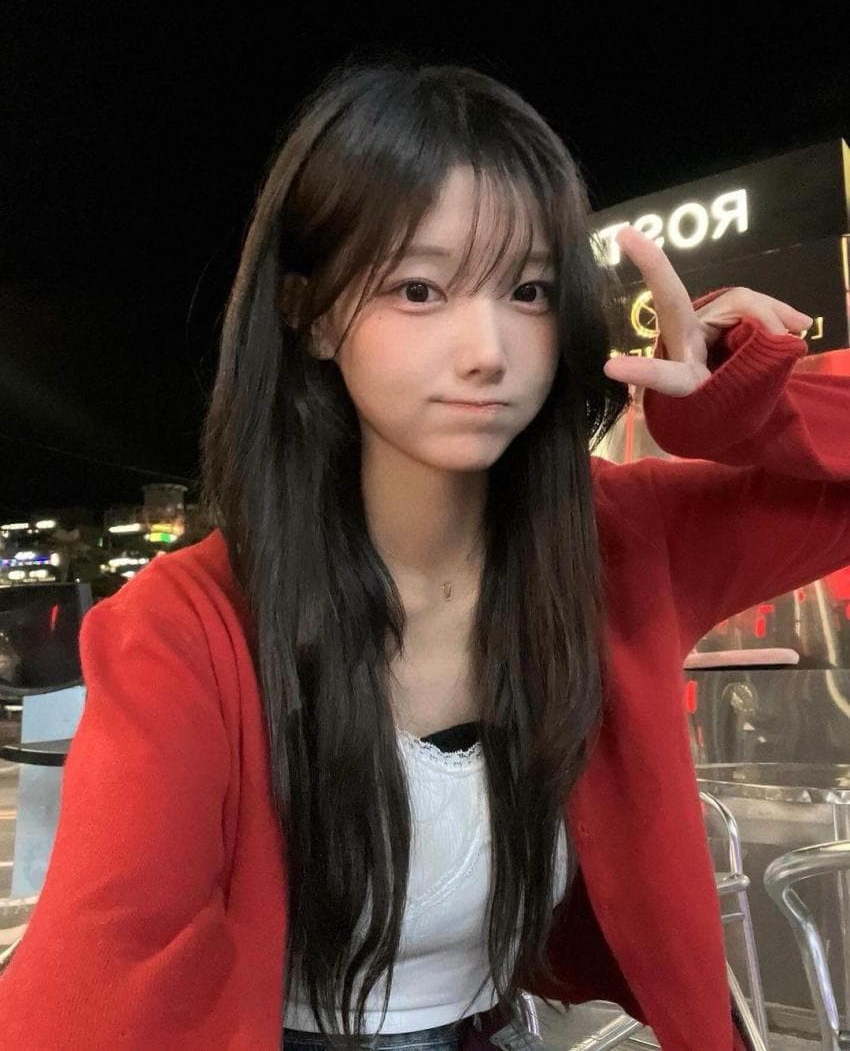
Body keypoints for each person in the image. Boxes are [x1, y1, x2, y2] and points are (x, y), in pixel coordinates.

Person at [1, 57, 848, 1051]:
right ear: (313, 314)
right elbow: (101, 980)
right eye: (419, 288)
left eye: (528, 290)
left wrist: (742, 409)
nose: (487, 349)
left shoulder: (616, 543)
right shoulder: (189, 626)